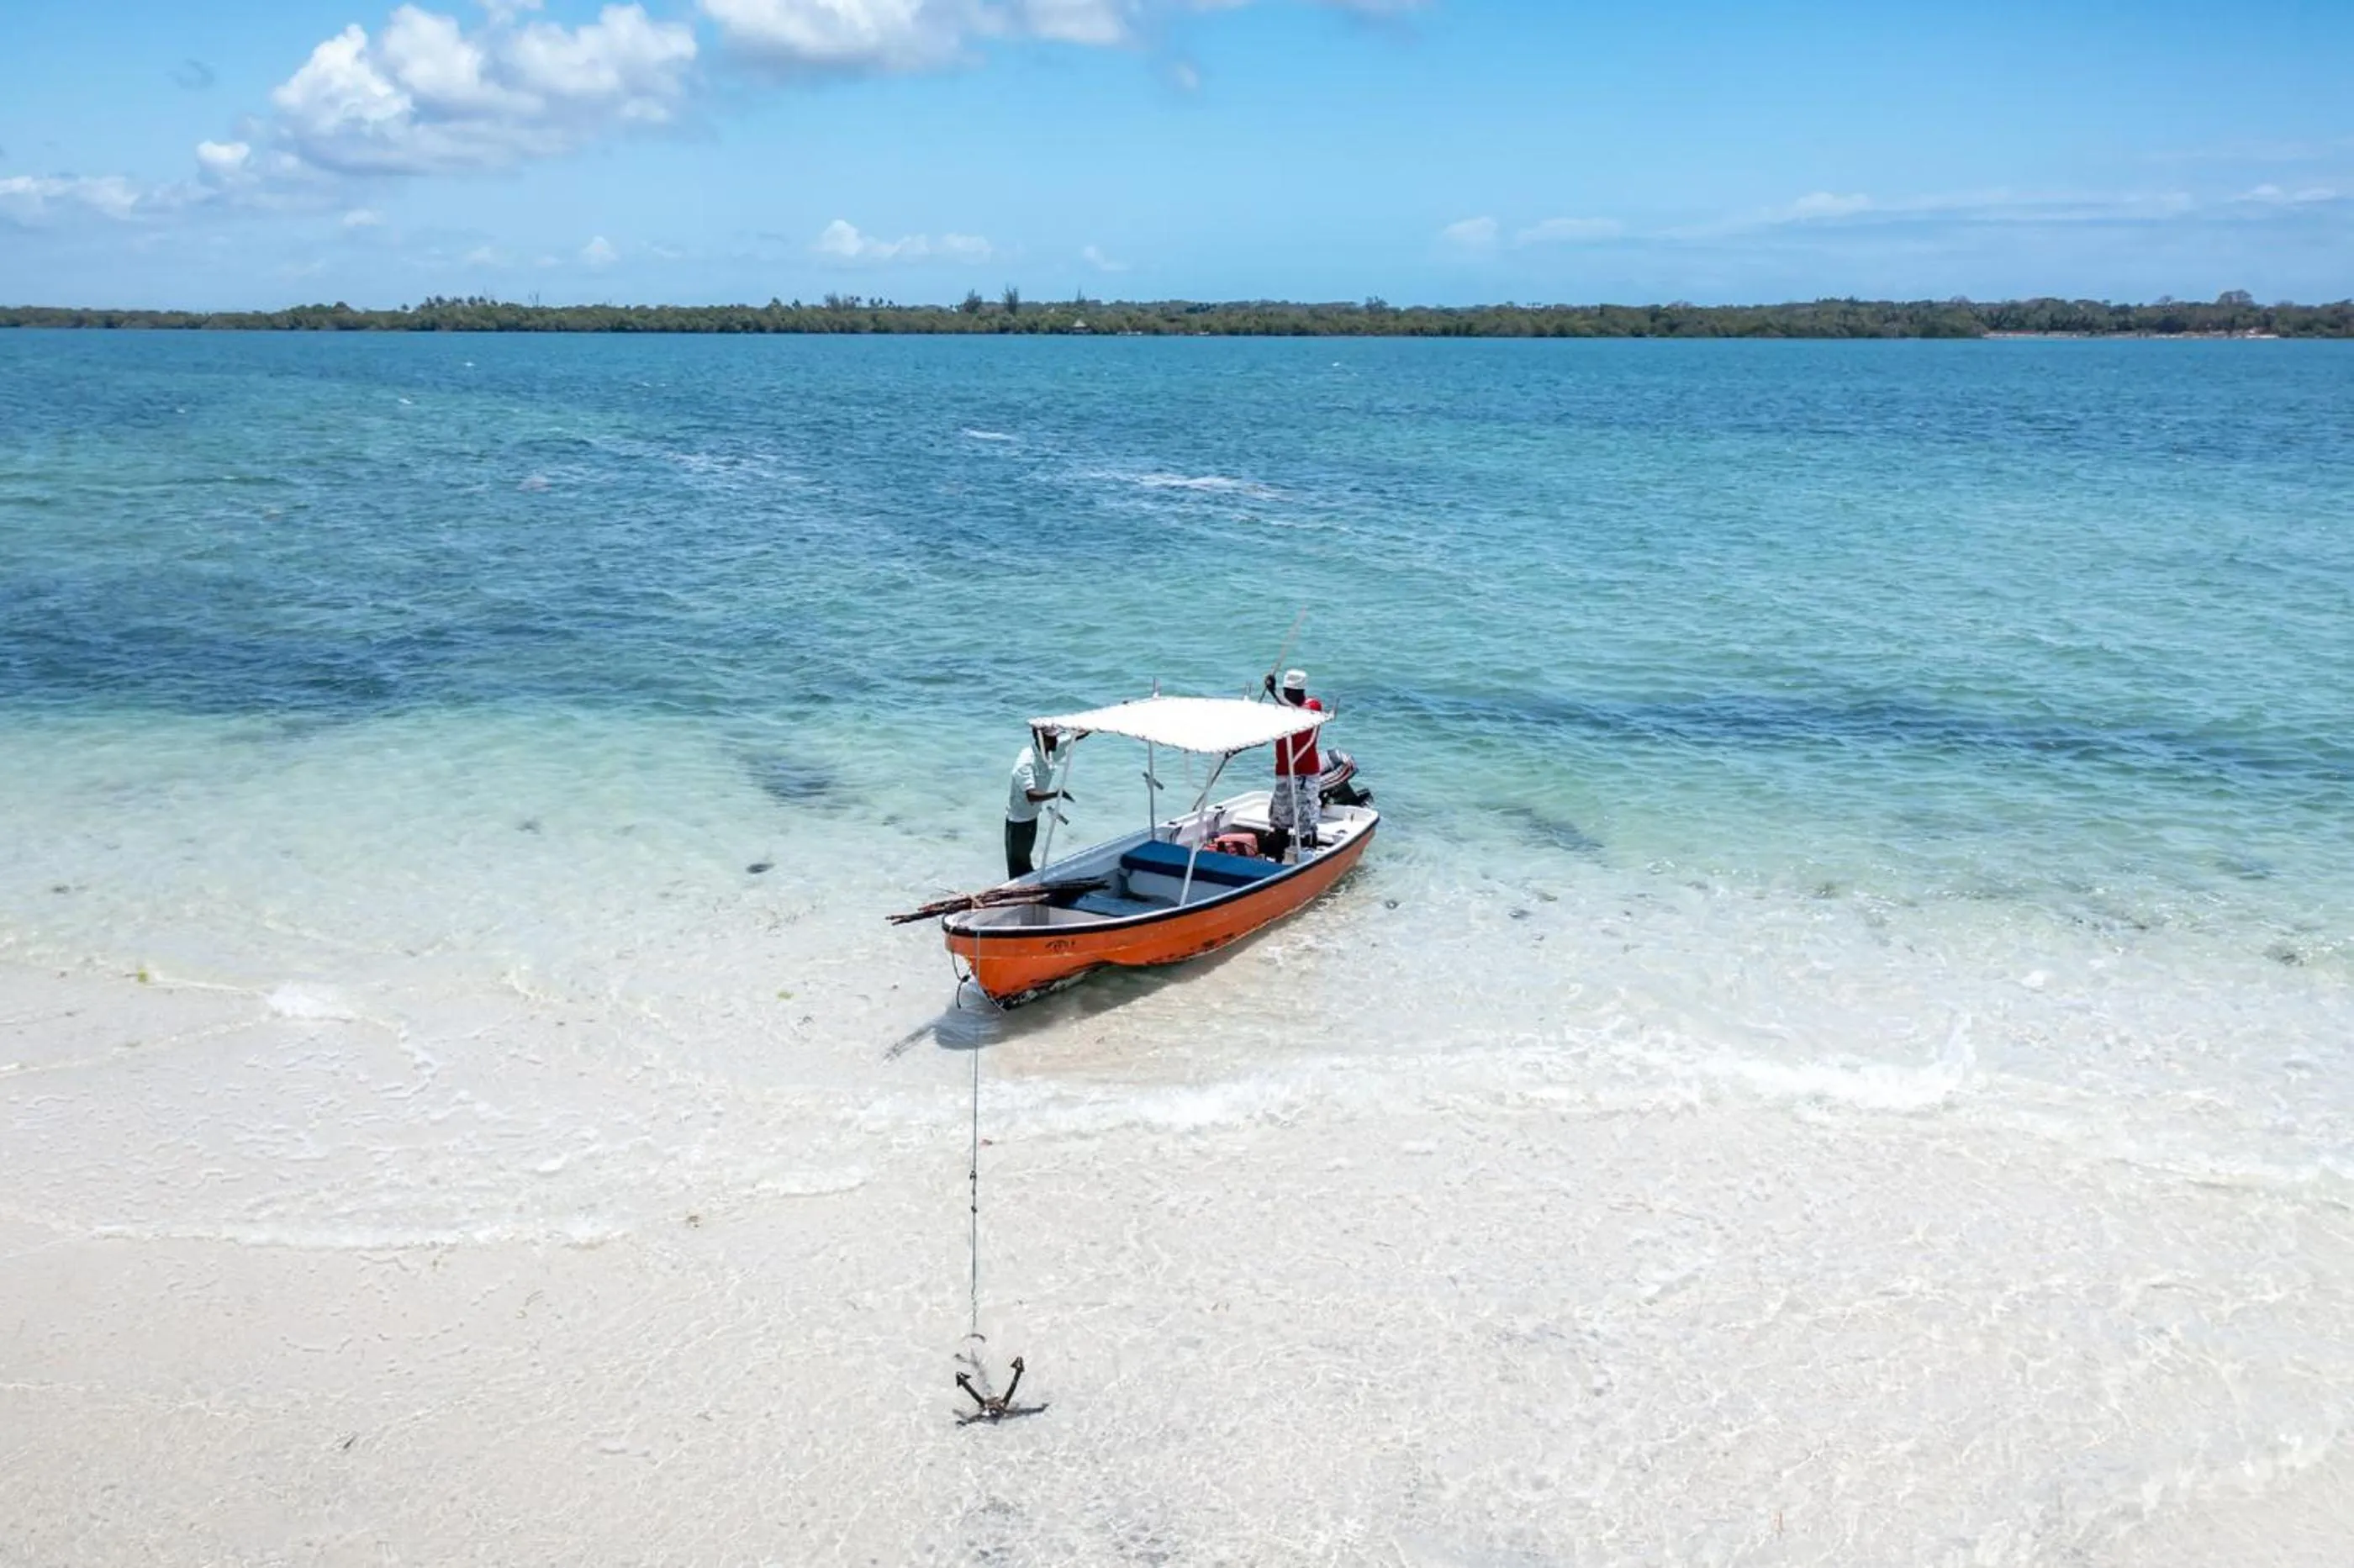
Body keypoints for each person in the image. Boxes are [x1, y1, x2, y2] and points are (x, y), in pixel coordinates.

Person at [1262, 668, 1326, 860]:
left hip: (1306, 772)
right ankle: (1276, 858)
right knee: (1280, 817)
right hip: (1283, 771)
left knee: (1306, 818)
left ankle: (1307, 856)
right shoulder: (1282, 708)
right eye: (1286, 691)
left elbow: (1297, 714)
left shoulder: (1312, 706)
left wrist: (1274, 693)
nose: (1287, 695)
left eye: (1291, 692)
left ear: (1300, 692)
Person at [1004, 727, 1067, 879]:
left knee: (1025, 861)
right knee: (1018, 868)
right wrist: (1056, 794)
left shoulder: (1050, 750)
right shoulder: (1025, 763)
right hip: (1018, 822)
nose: (1056, 741)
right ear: (1039, 738)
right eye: (1051, 738)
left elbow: (1075, 737)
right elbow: (1031, 796)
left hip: (1032, 817)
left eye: (1056, 737)